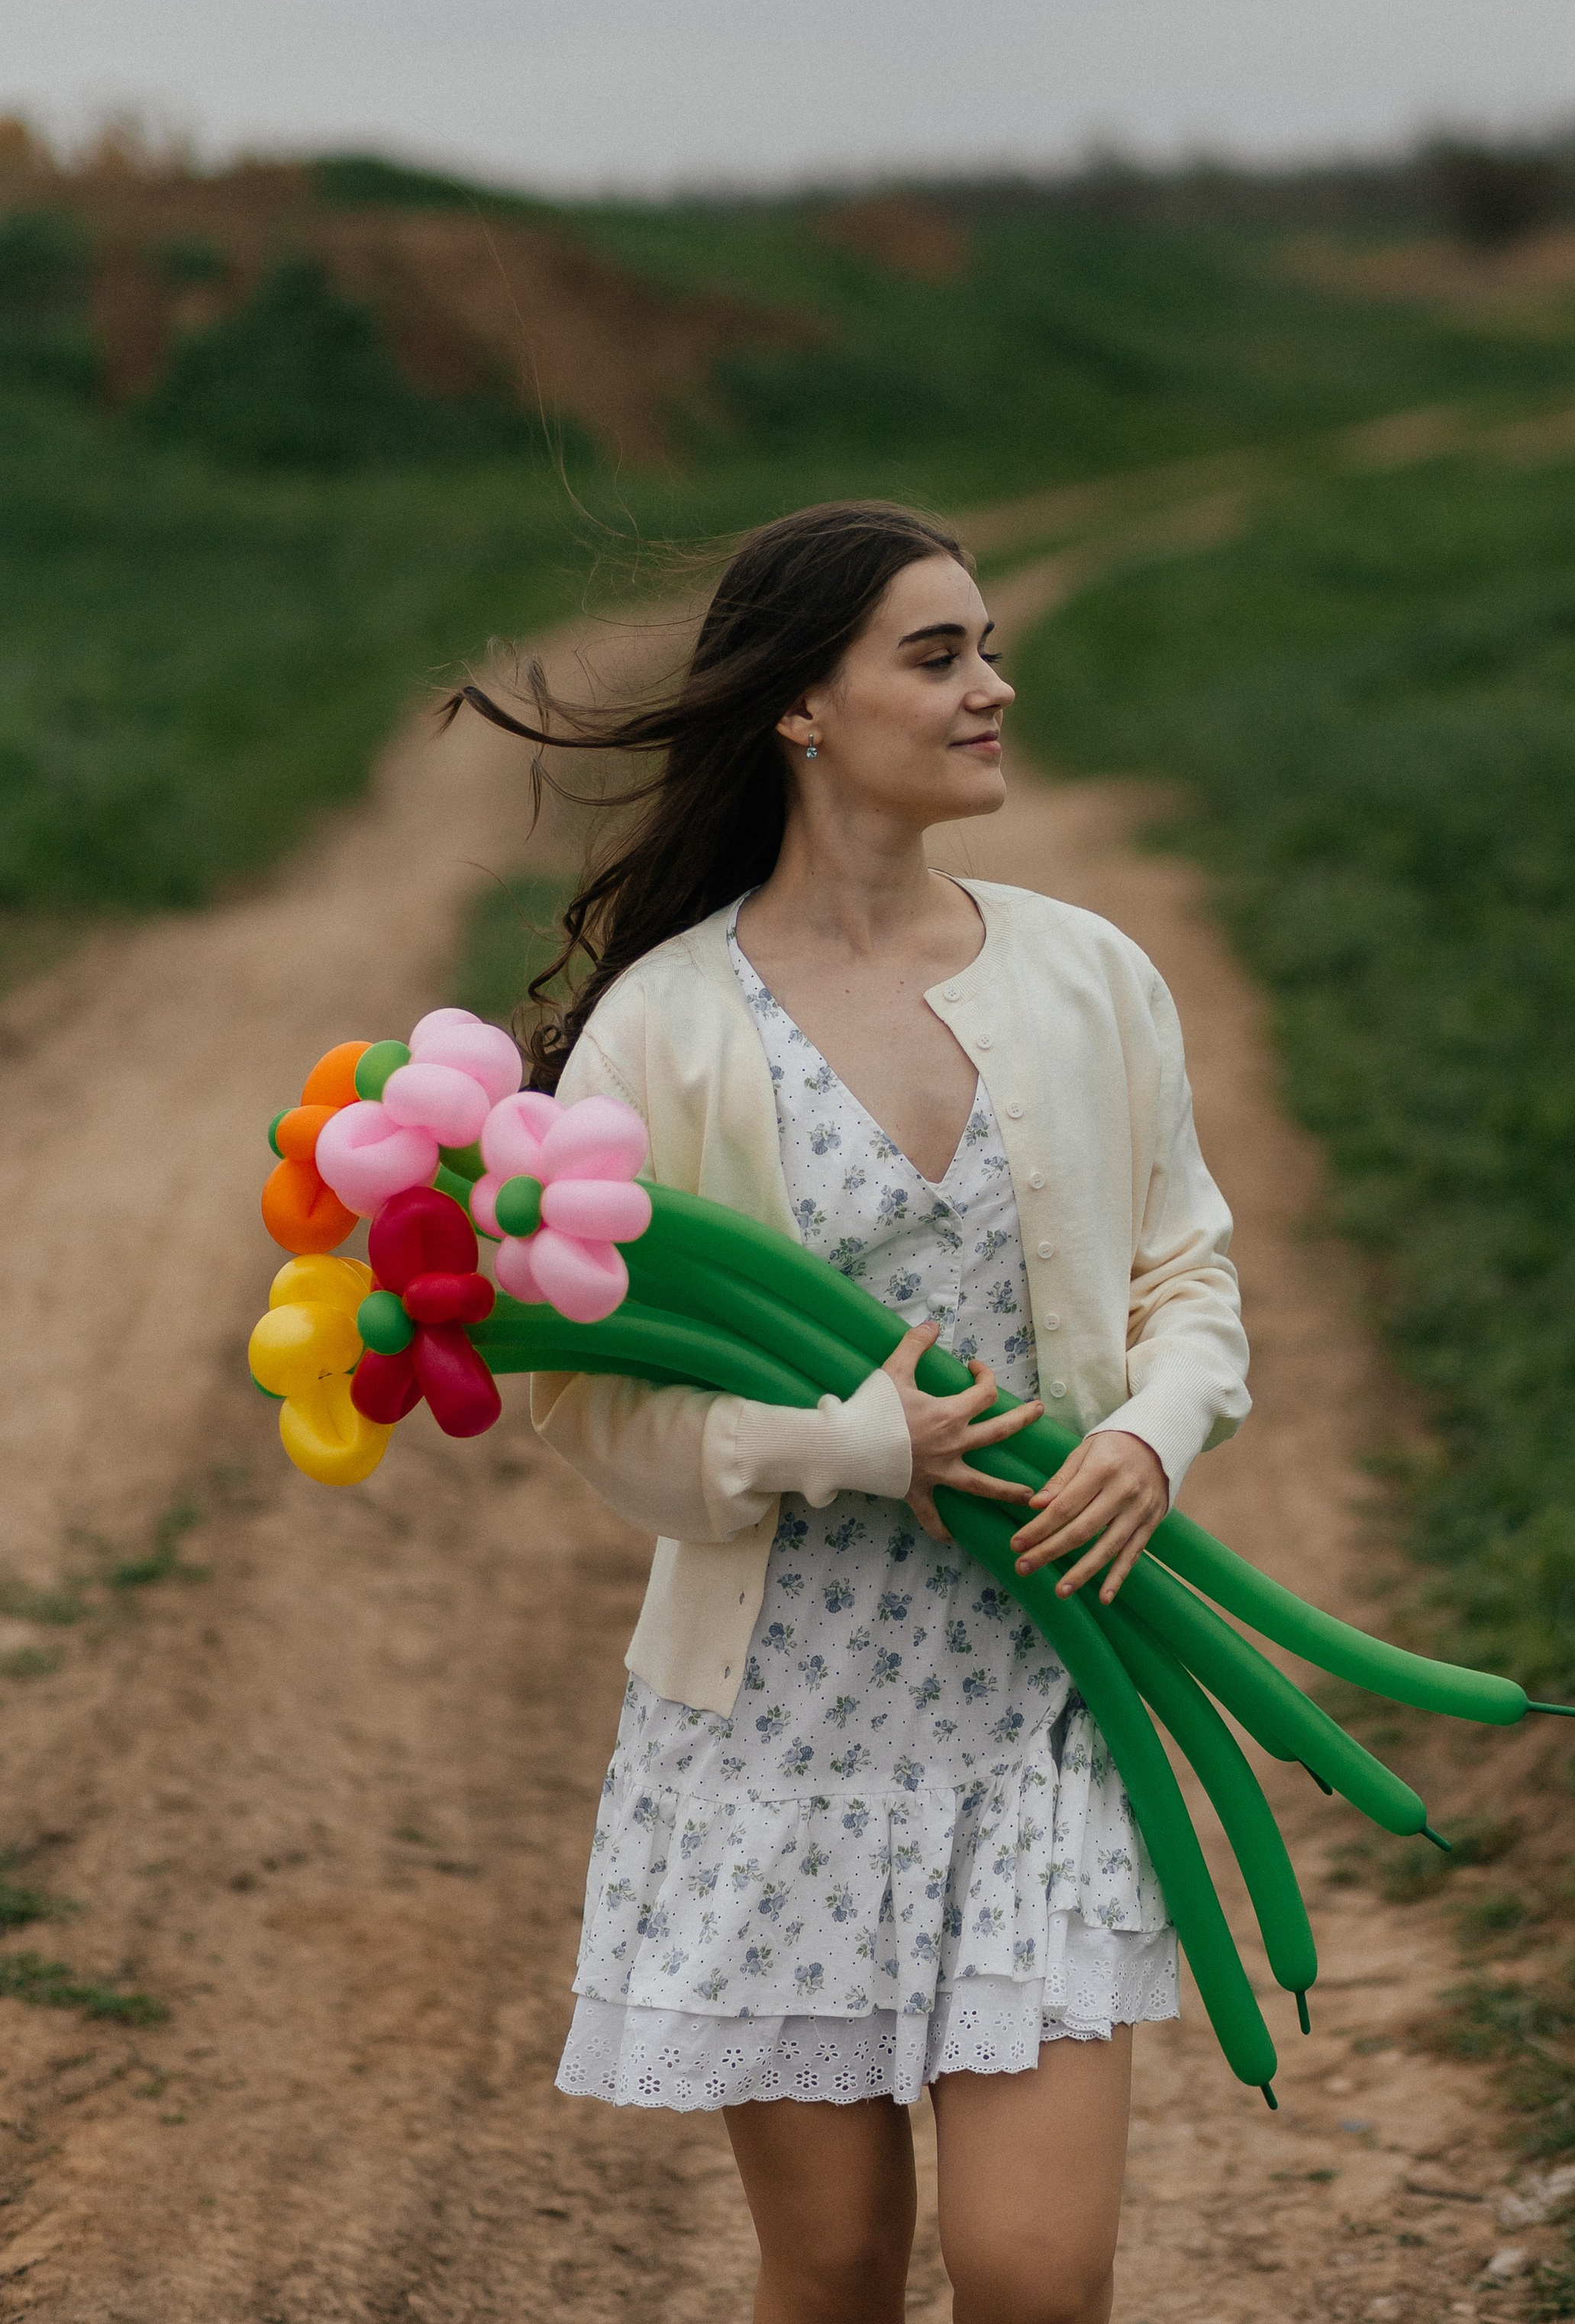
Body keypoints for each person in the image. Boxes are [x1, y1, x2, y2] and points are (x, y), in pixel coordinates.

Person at [458, 501, 1250, 2324]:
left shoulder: (1085, 975)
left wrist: (1150, 1433)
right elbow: (592, 1408)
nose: (993, 686)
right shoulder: (667, 1024)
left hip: (1043, 1699)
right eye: (938, 653)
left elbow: (1185, 1274)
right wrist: (846, 1447)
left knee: (1035, 2276)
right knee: (827, 2266)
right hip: (780, 1735)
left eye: (982, 648)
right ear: (801, 708)